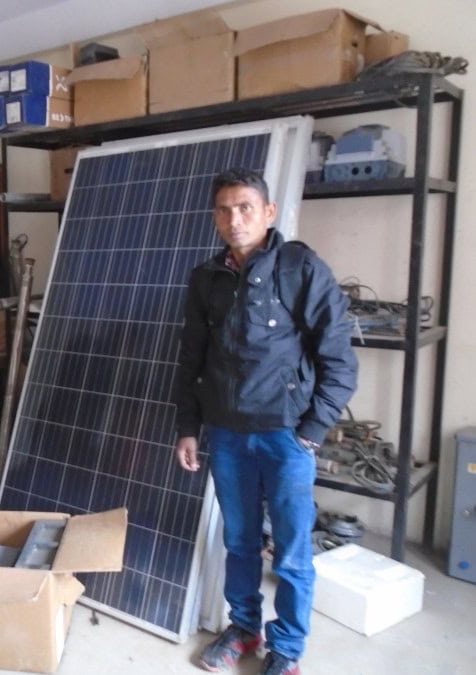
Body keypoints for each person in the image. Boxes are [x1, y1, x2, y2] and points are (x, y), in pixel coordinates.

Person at [174, 169, 358, 675]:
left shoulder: (301, 268)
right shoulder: (205, 278)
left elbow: (340, 360)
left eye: (246, 208)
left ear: (269, 212)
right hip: (227, 434)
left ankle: (288, 649)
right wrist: (188, 426)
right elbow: (192, 360)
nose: (235, 220)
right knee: (239, 541)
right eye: (225, 210)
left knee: (293, 553)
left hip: (287, 437)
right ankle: (244, 628)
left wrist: (312, 431)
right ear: (214, 217)